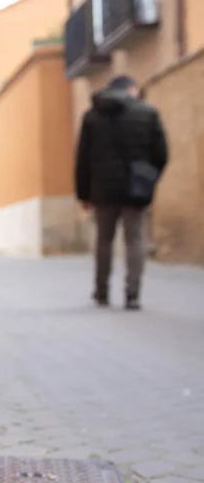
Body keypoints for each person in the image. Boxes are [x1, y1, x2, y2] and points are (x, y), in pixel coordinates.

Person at [76, 75, 168, 310]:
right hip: (135, 189)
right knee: (135, 240)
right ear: (131, 89)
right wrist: (149, 177)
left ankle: (101, 292)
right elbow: (161, 153)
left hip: (102, 190)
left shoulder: (92, 116)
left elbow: (82, 159)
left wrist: (83, 194)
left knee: (104, 241)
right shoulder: (147, 113)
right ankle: (133, 294)